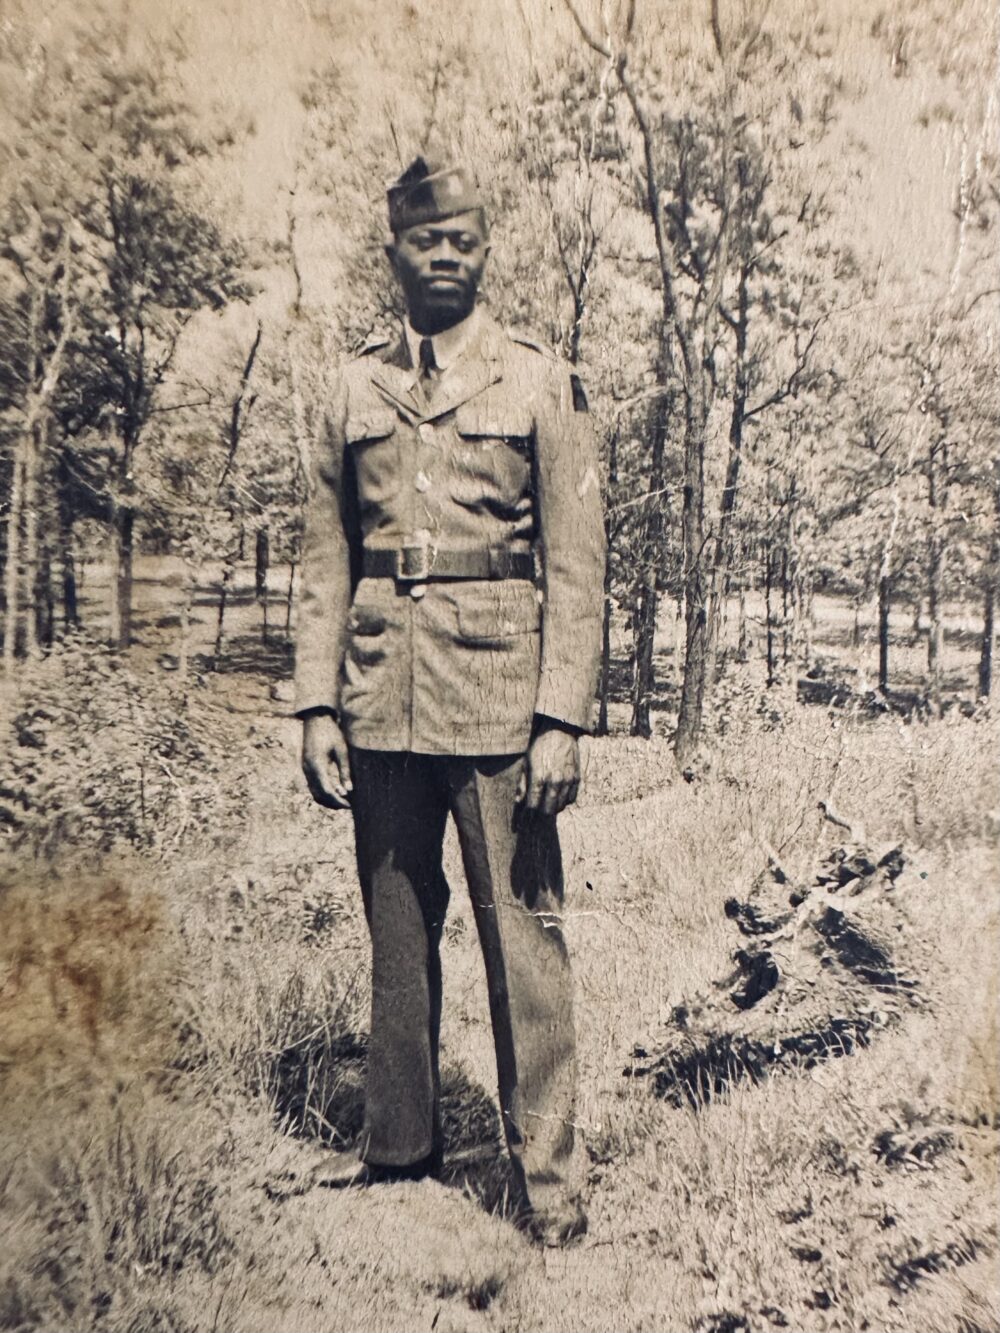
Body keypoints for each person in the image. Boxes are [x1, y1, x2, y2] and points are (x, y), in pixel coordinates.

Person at [294, 156, 605, 1245]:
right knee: (395, 925)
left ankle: (552, 1187)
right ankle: (398, 1149)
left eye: (463, 239)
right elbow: (325, 557)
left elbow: (577, 567)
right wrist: (314, 705)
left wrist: (560, 716)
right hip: (381, 696)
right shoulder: (351, 388)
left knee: (523, 939)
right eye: (424, 240)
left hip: (501, 702)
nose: (444, 254)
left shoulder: (539, 380)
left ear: (485, 250)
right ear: (393, 253)